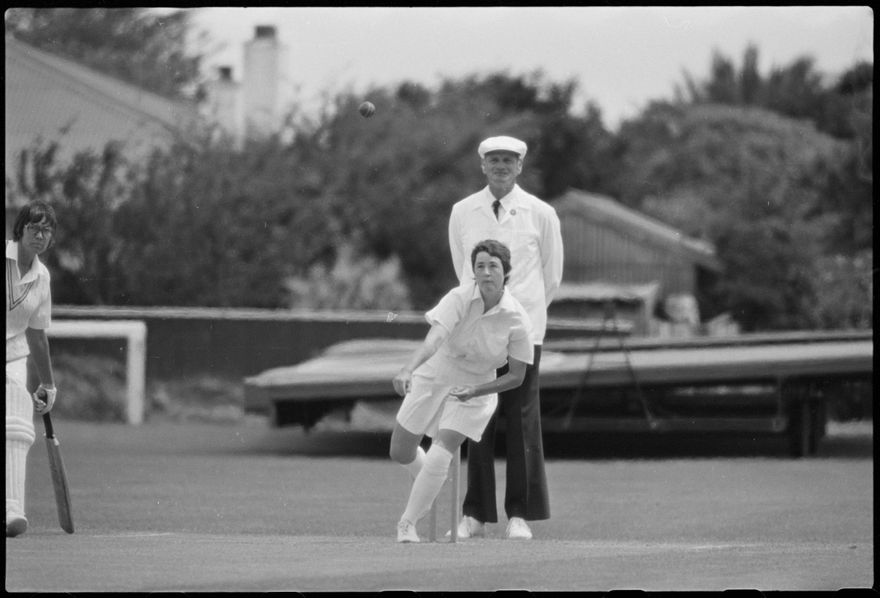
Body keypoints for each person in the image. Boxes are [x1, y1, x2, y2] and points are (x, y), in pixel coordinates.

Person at [448, 135, 563, 540]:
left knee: (522, 420)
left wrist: (522, 317)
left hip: (523, 329)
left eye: (508, 160)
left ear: (519, 166)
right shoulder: (463, 211)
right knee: (477, 416)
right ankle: (475, 515)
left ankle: (520, 514)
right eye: (494, 159)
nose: (500, 166)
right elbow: (463, 271)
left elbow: (551, 277)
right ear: (483, 165)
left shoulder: (541, 213)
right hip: (479, 330)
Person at [389, 239, 534, 543]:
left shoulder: (518, 318)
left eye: (493, 266)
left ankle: (407, 523)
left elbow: (517, 376)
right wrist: (408, 368)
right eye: (480, 266)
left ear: (506, 271)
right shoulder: (458, 297)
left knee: (442, 448)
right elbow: (434, 340)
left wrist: (477, 390)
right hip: (437, 370)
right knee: (399, 451)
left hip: (479, 383)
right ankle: (430, 477)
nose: (486, 272)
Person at [6, 201, 59, 538]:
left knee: (18, 425)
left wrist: (48, 385)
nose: (40, 235)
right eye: (34, 228)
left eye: (46, 230)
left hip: (13, 355)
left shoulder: (42, 277)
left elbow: (37, 335)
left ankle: (12, 510)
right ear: (20, 229)